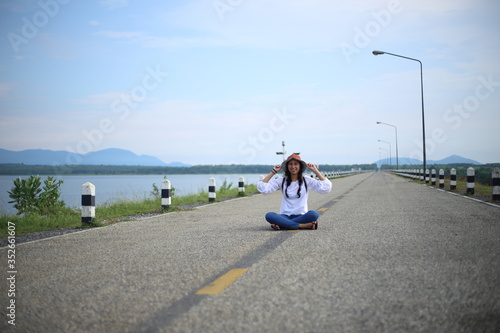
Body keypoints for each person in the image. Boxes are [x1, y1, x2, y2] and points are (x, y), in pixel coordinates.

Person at [257, 154, 332, 230]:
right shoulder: (282, 181)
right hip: (285, 215)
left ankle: (282, 224)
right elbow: (263, 188)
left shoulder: (306, 180)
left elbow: (326, 188)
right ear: (287, 167)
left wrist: (315, 171)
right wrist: (273, 172)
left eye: (296, 164)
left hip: (301, 215)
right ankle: (303, 226)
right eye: (290, 164)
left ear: (300, 166)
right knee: (269, 215)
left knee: (314, 214)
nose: (293, 167)